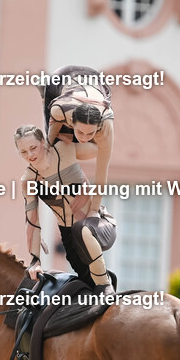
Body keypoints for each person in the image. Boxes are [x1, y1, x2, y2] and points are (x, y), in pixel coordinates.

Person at [16, 125, 117, 294]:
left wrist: (75, 136)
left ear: (43, 142)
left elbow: (99, 148)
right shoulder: (28, 180)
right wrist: (35, 260)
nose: (30, 155)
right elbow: (32, 220)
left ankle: (106, 286)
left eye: (33, 148)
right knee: (88, 290)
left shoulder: (64, 149)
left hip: (98, 224)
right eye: (23, 152)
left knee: (82, 229)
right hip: (71, 240)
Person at [41, 65, 114, 216]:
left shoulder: (106, 126)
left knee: (94, 150)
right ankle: (43, 91)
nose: (84, 138)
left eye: (90, 134)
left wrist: (94, 209)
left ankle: (71, 136)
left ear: (98, 127)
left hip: (96, 81)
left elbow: (102, 172)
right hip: (60, 80)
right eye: (80, 132)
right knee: (56, 148)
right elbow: (49, 146)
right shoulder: (59, 110)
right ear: (71, 122)